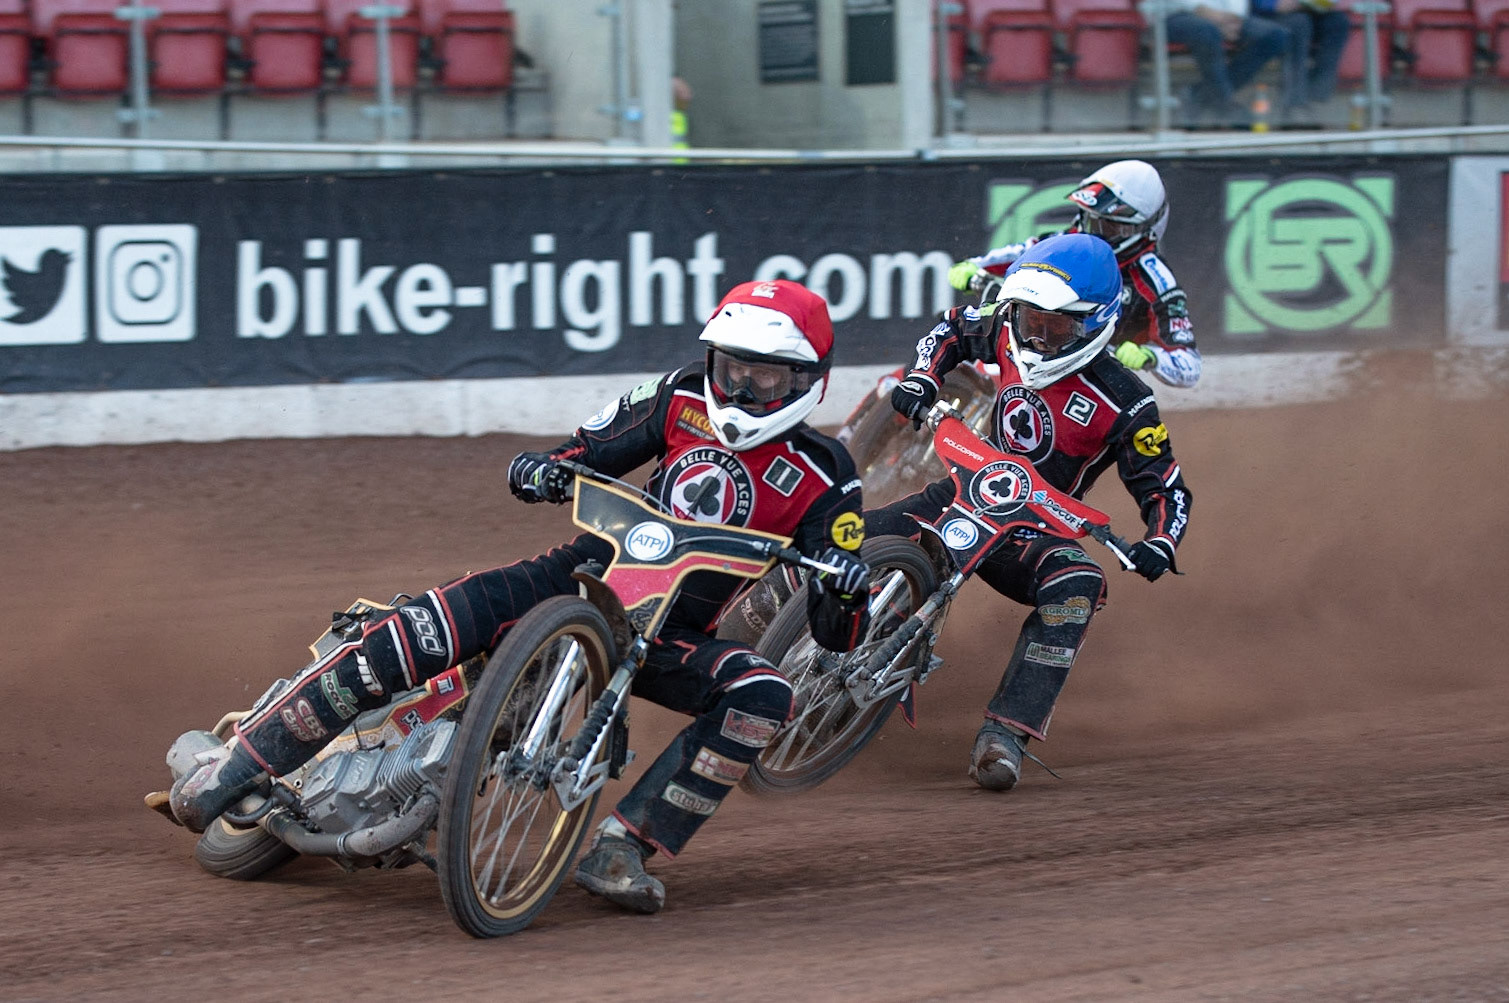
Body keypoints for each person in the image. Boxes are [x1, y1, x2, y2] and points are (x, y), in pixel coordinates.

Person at [166, 279, 872, 914]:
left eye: (763, 376)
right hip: (578, 574)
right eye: (731, 368)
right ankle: (236, 764)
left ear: (806, 381)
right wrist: (544, 468)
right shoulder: (679, 393)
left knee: (763, 695)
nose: (740, 389)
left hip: (670, 633)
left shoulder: (828, 475)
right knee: (422, 628)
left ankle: (624, 845)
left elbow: (837, 635)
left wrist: (845, 589)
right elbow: (585, 447)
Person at [880, 233, 1192, 791]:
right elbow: (949, 328)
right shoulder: (1005, 328)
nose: (1039, 338)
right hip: (966, 488)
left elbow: (1167, 487)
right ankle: (765, 617)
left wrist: (1160, 542)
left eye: (1057, 327)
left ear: (1097, 323)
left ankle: (1005, 735)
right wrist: (922, 376)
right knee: (841, 535)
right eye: (1030, 321)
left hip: (1033, 533)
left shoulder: (1128, 401)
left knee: (1078, 583)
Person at [947, 160, 1202, 389]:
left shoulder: (1157, 282)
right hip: (1033, 343)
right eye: (1091, 220)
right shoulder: (1067, 244)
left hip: (1089, 376)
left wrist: (1151, 357)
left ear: (1143, 229)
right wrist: (974, 267)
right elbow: (1021, 253)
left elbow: (1189, 365)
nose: (1095, 233)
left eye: (1110, 227)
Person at [1161, 0, 1289, 129]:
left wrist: (1232, 18)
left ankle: (1199, 96)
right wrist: (1206, 12)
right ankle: (1227, 107)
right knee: (1207, 31)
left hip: (1226, 17)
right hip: (1175, 13)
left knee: (1275, 36)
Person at [1251, 0, 1350, 121]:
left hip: (1308, 11)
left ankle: (1316, 96)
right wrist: (1273, 5)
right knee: (1299, 23)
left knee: (1337, 21)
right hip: (1269, 14)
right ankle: (1294, 103)